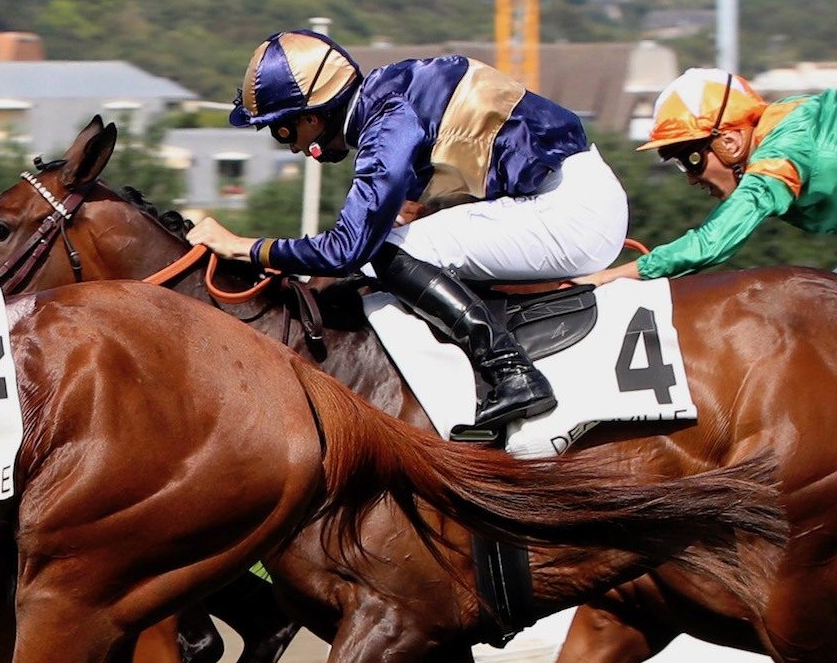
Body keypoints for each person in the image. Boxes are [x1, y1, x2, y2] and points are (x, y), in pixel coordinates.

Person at [188, 31, 629, 433]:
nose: (293, 147)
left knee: (387, 254)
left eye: (284, 130)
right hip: (568, 196)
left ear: (314, 115)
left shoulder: (387, 121)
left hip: (569, 211)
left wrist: (244, 247)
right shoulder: (390, 94)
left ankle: (511, 371)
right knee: (400, 248)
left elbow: (346, 249)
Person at [583, 68, 837, 286]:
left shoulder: (782, 155)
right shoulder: (785, 124)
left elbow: (711, 243)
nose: (692, 179)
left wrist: (608, 277)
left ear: (729, 141)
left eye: (691, 160)